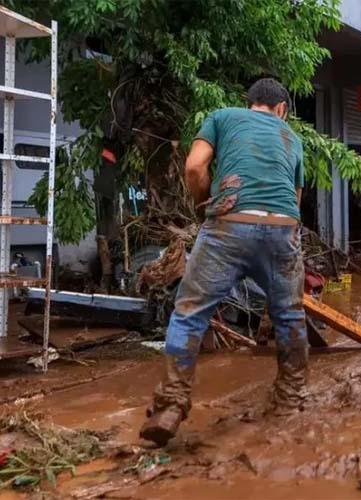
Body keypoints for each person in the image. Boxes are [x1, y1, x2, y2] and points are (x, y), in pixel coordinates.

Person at [140, 78, 307, 446]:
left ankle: (170, 406)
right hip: (282, 229)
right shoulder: (292, 138)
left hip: (229, 224)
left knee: (189, 313)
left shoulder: (221, 117)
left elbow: (194, 168)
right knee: (289, 315)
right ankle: (290, 402)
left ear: (250, 103)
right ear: (282, 109)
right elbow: (295, 200)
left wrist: (203, 205)